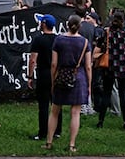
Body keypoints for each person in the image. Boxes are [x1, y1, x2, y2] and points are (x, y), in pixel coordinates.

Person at [42, 14, 91, 153]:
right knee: (75, 113)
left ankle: (49, 142)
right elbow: (88, 66)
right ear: (79, 26)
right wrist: (89, 84)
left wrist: (53, 81)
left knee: (55, 111)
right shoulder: (85, 42)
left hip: (62, 76)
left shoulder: (59, 40)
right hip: (78, 77)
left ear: (67, 24)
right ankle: (71, 145)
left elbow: (53, 64)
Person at [93, 11, 125, 130]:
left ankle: (101, 120)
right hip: (123, 67)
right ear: (123, 21)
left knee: (107, 93)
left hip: (109, 67)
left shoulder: (106, 33)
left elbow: (99, 46)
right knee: (123, 94)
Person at [27, 14, 61, 141]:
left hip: (44, 73)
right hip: (56, 73)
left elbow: (33, 59)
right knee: (57, 103)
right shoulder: (58, 39)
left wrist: (30, 76)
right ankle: (57, 131)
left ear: (44, 24)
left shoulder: (38, 39)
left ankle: (43, 132)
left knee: (43, 105)